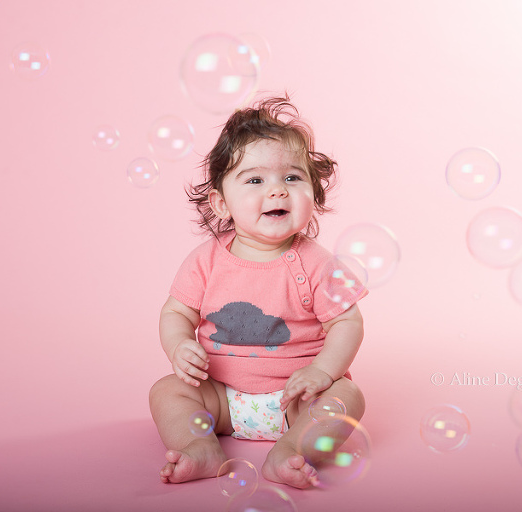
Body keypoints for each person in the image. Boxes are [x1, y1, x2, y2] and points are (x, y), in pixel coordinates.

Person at [149, 95, 367, 489]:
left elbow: (347, 323)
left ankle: (291, 450)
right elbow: (175, 314)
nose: (278, 191)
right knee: (166, 391)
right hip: (219, 400)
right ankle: (198, 448)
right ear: (221, 203)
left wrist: (322, 372)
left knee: (348, 397)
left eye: (292, 178)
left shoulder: (318, 263)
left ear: (314, 195)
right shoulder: (205, 261)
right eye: (255, 180)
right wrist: (179, 347)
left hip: (296, 400)